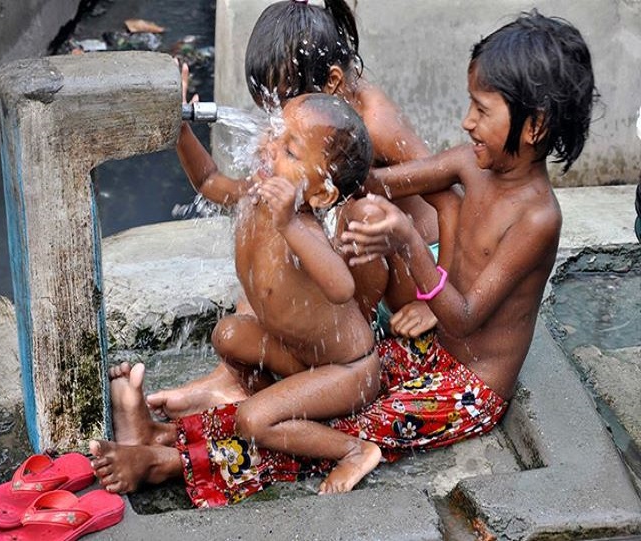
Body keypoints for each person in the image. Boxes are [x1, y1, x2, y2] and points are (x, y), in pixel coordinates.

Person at [90, 10, 596, 507]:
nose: (466, 122)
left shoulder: (537, 218)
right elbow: (370, 182)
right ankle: (162, 433)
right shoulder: (469, 161)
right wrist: (320, 181)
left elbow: (465, 320)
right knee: (315, 396)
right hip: (426, 352)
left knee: (328, 430)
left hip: (467, 388)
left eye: (482, 111)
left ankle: (167, 463)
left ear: (535, 126)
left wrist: (409, 245)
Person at [147, 0, 445, 420]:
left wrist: (435, 298)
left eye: (283, 103)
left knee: (361, 214)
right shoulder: (308, 131)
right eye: (269, 107)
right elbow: (215, 184)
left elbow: (447, 192)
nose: (273, 121)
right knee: (273, 254)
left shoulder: (375, 124)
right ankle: (230, 378)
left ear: (332, 83)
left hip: (417, 272)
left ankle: (333, 366)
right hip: (354, 265)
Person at [142, 87, 382, 494]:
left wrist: (289, 224)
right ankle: (282, 408)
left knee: (252, 421)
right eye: (273, 135)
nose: (269, 149)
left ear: (321, 193)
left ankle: (355, 450)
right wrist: (179, 125)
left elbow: (342, 288)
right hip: (299, 360)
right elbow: (208, 180)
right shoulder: (255, 195)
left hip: (347, 372)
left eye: (289, 152)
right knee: (228, 334)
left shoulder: (302, 229)